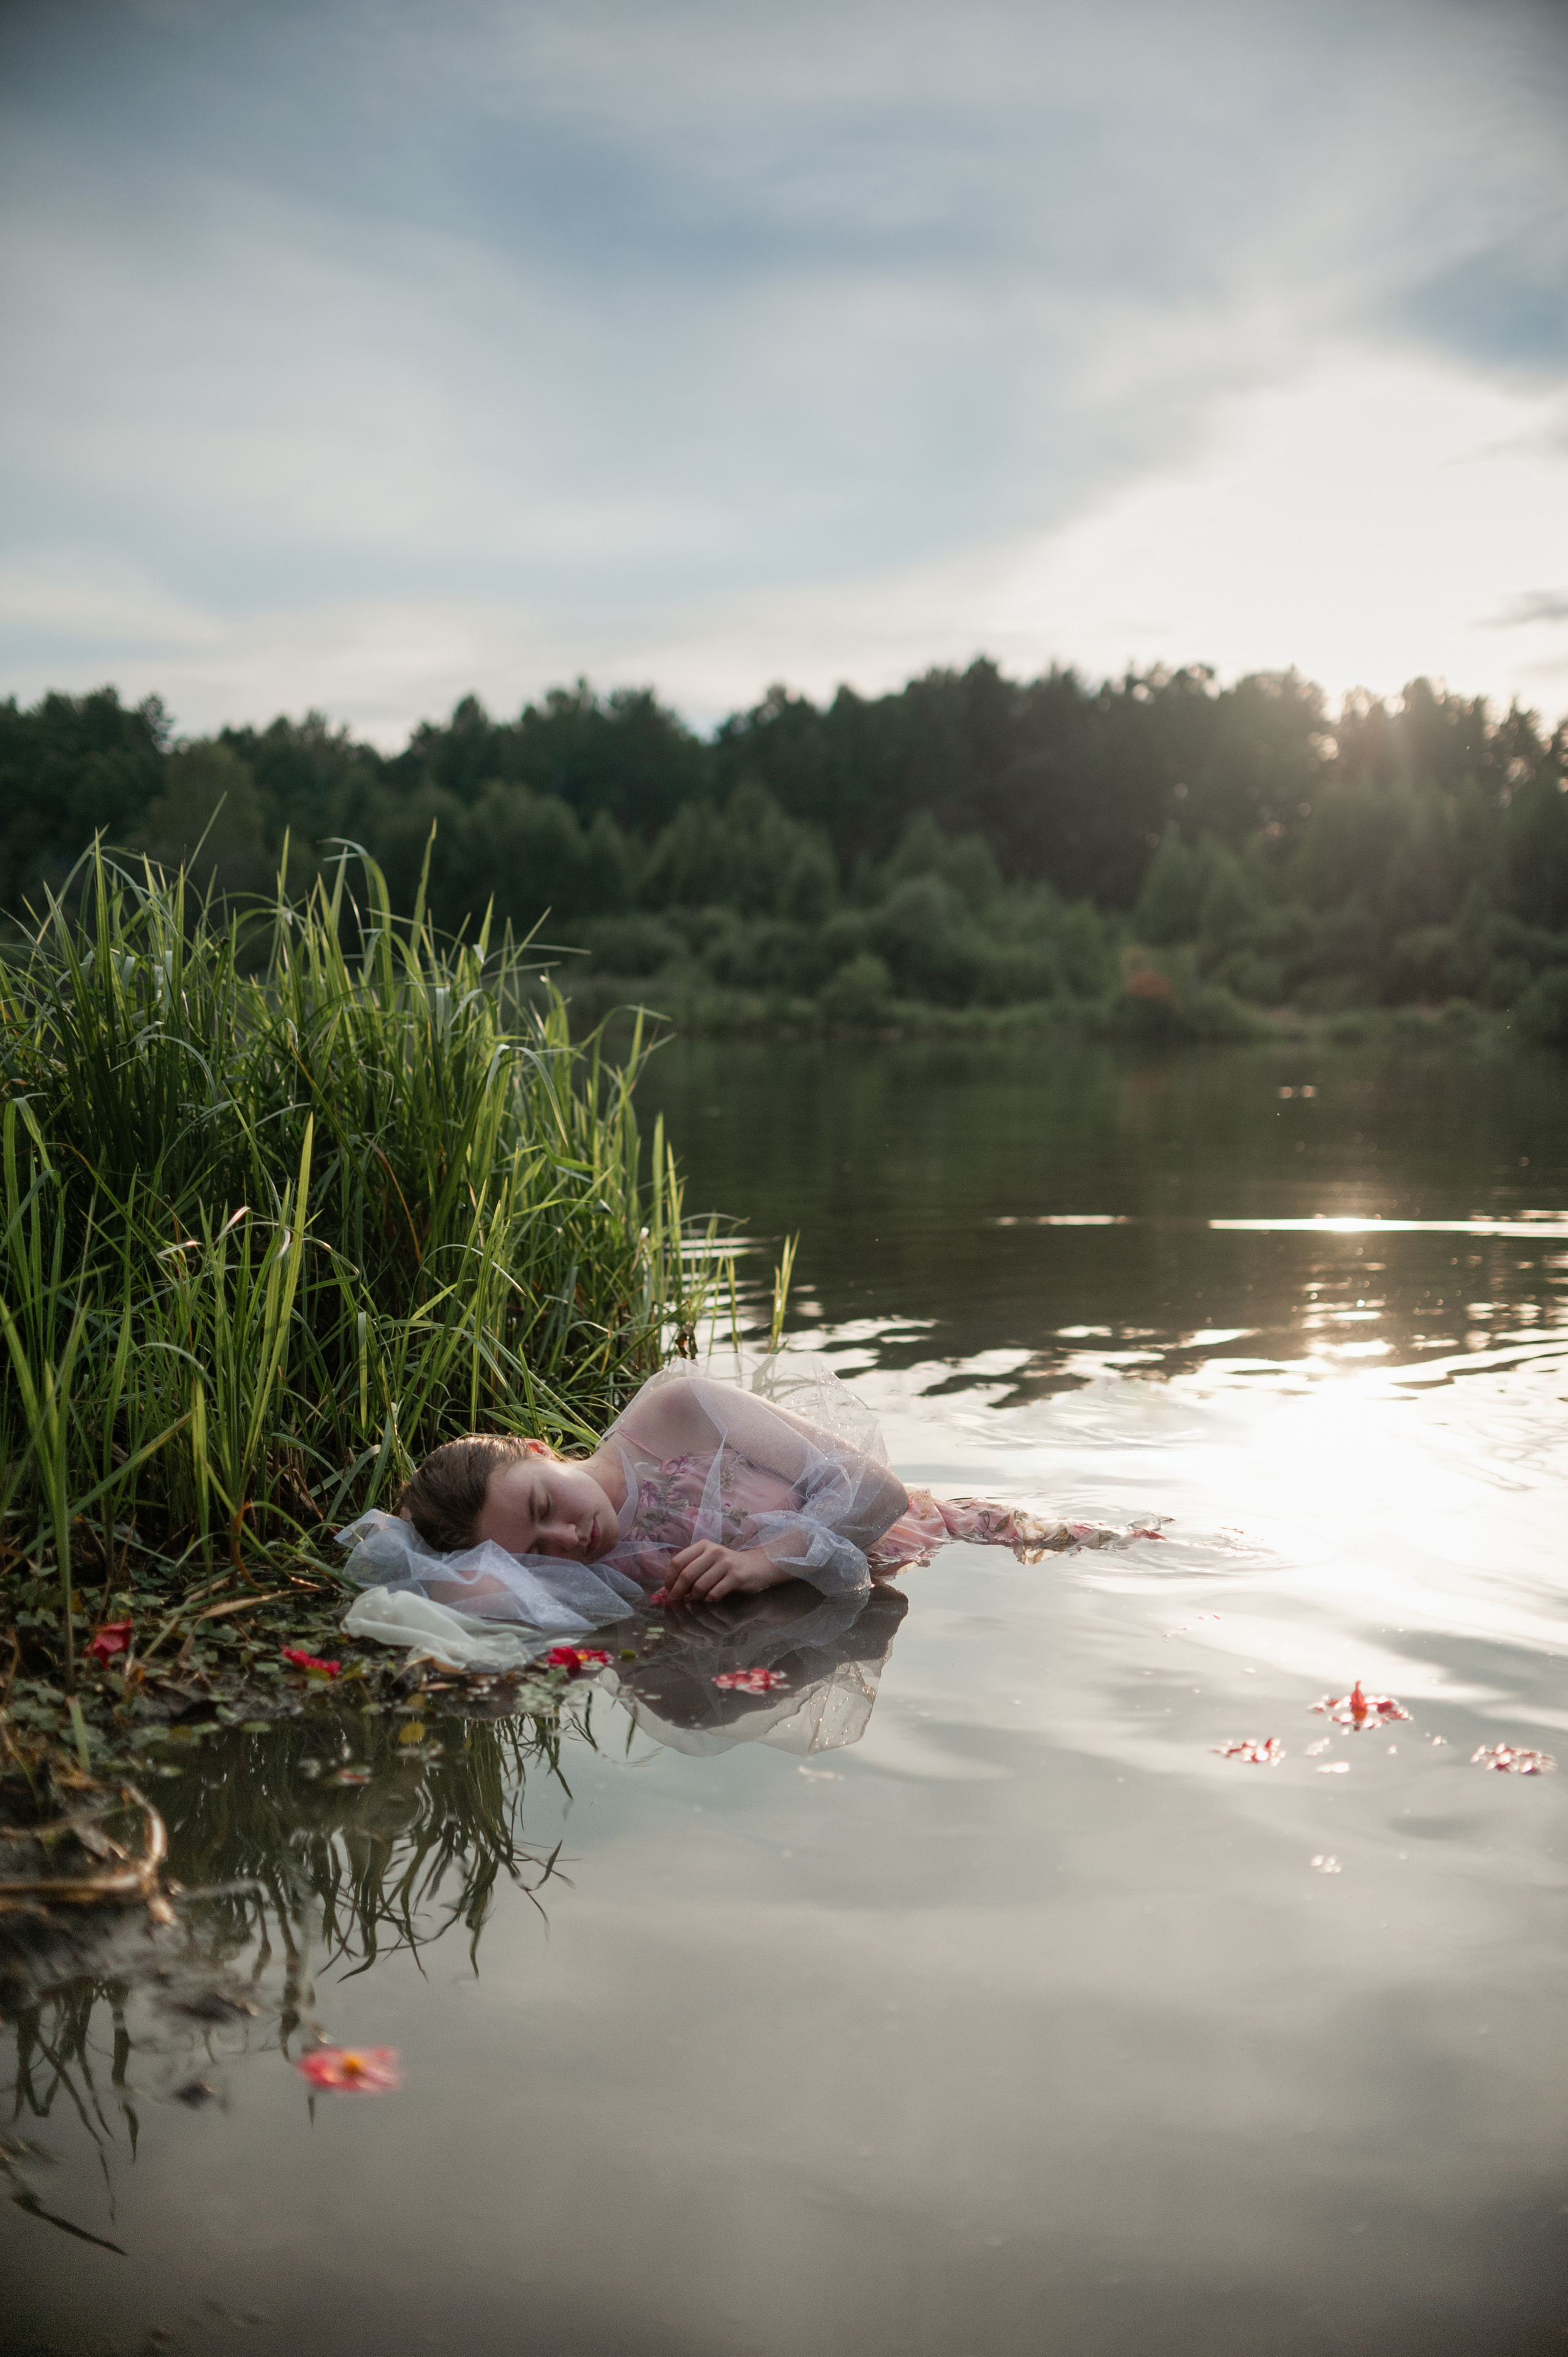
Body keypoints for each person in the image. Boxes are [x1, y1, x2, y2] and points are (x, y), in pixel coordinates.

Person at [338, 1360, 1150, 1640]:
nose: (566, 1537)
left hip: (961, 1540)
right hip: (884, 1603)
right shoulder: (580, 1573)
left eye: (545, 1502)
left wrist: (760, 1565)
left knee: (1142, 1551)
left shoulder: (676, 1412)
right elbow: (444, 1586)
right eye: (534, 1549)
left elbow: (878, 1493)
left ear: (544, 1452)